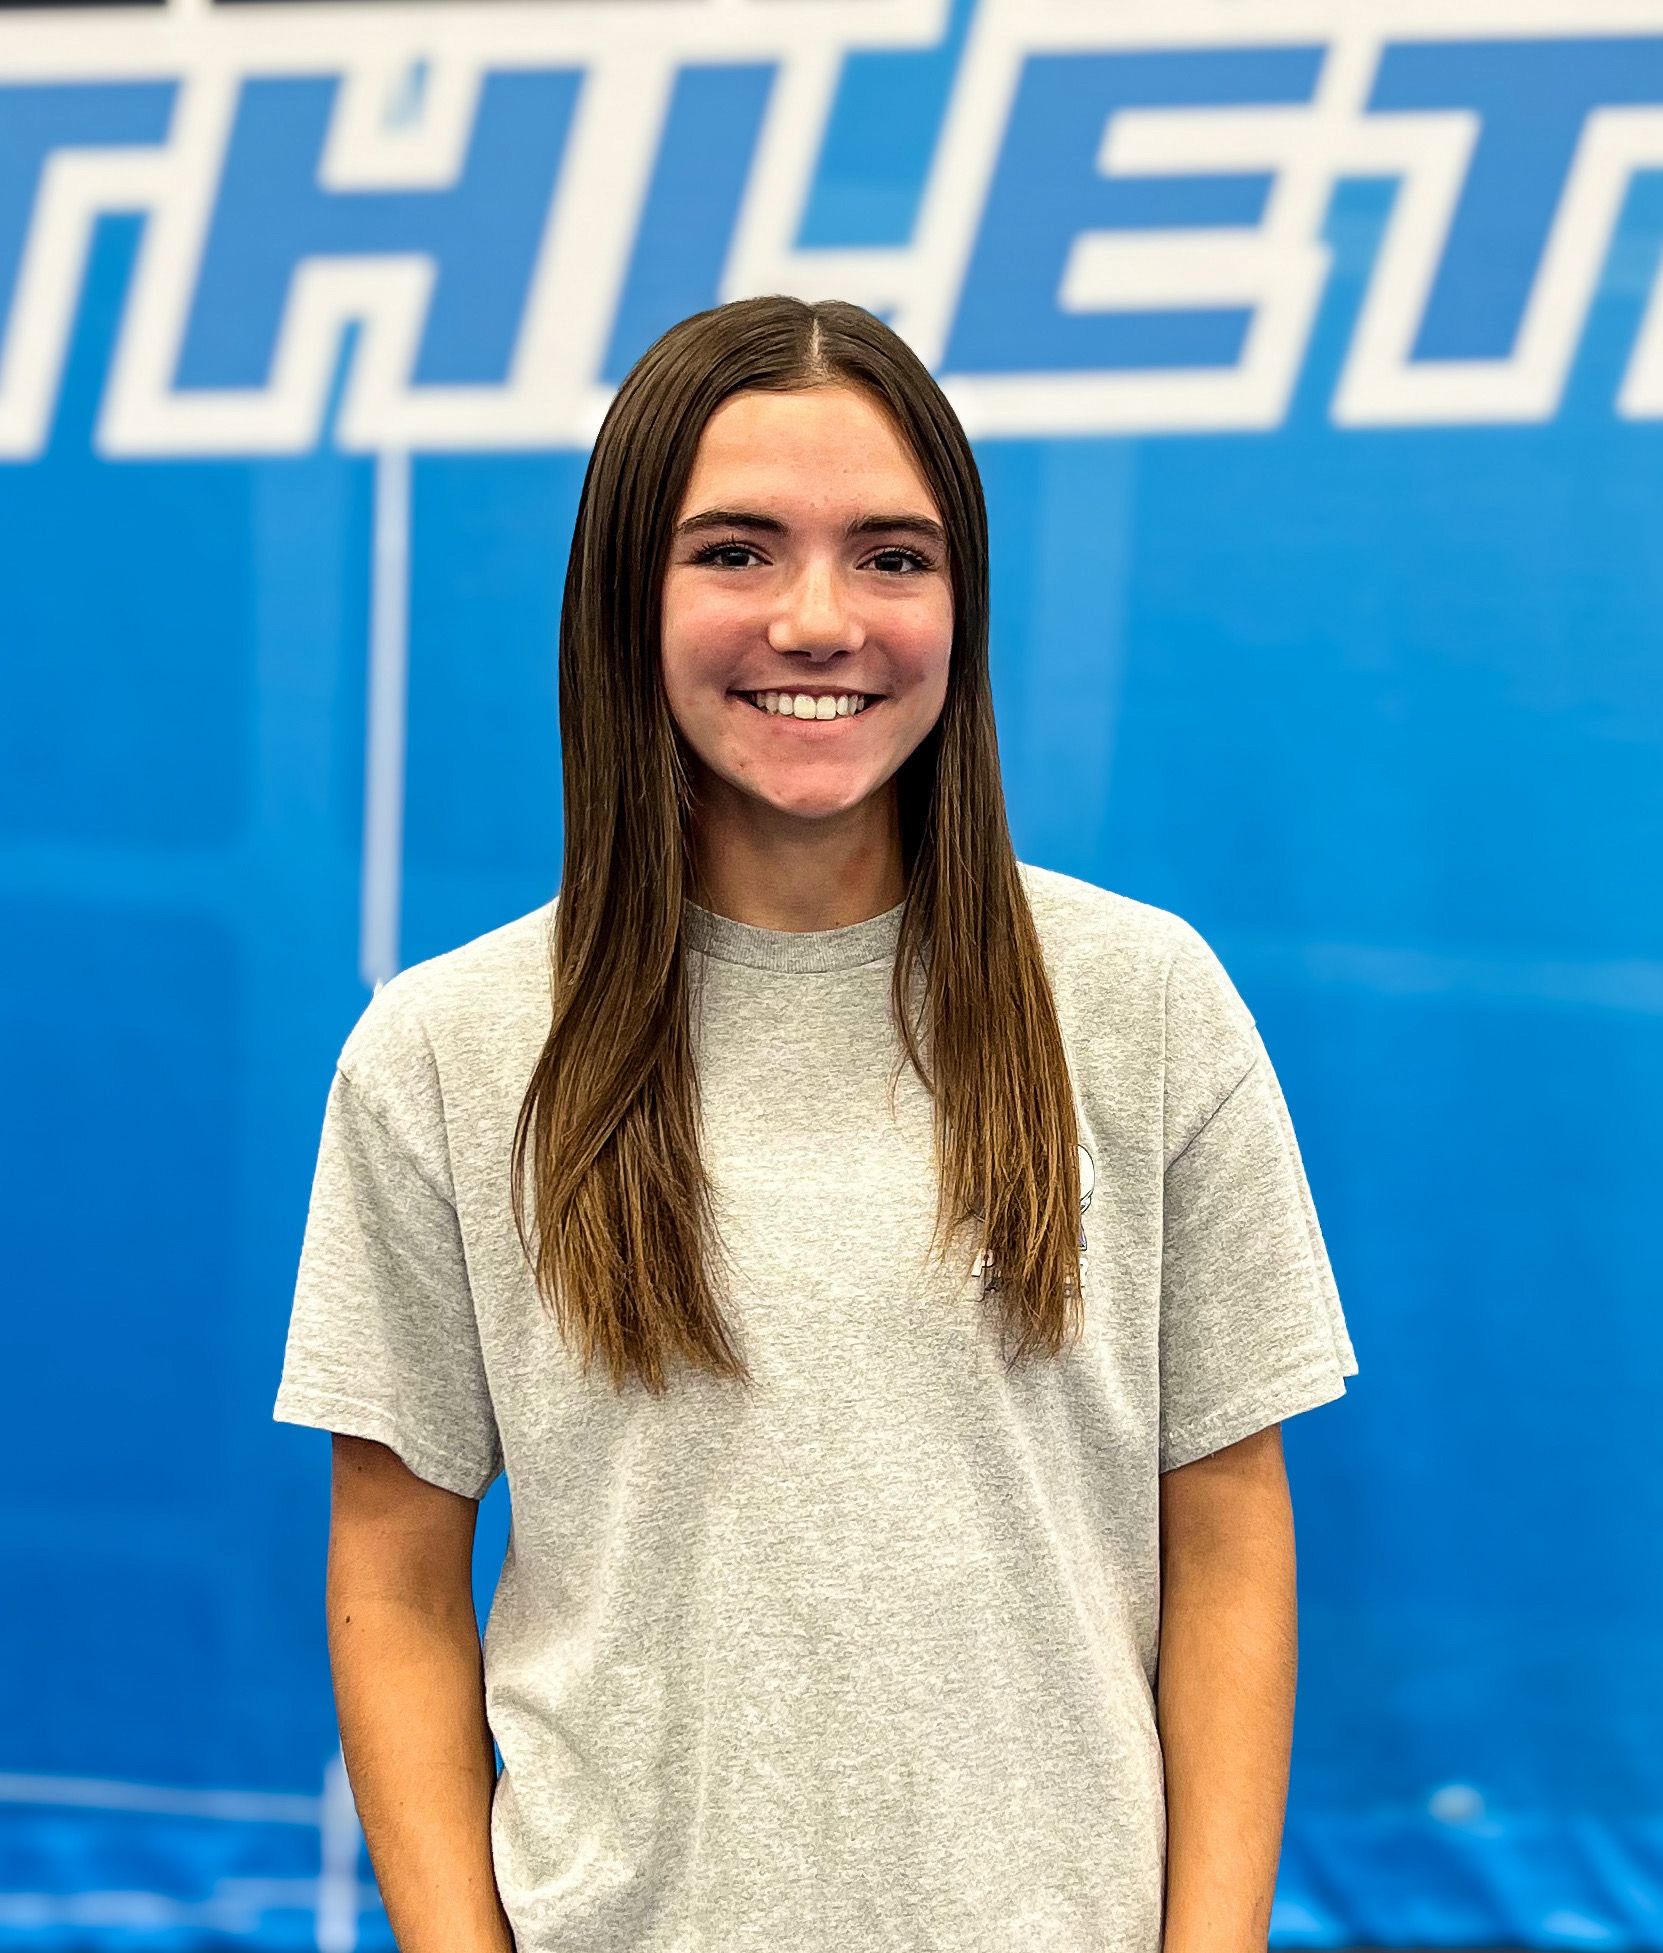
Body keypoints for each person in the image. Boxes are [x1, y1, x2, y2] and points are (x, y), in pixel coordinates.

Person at [273, 293, 1359, 1953]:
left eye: (891, 556)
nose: (817, 618)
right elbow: (395, 1580)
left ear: (960, 603)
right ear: (626, 598)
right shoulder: (442, 1053)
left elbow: (1225, 1536)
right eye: (736, 550)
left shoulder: (1145, 1003)